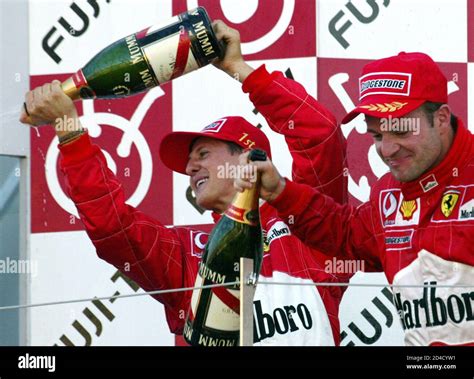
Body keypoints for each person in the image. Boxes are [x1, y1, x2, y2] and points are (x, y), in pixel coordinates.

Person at [20, 21, 350, 346]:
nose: (191, 167)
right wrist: (69, 131)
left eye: (204, 153)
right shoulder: (187, 251)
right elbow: (113, 229)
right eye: (191, 161)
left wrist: (238, 68)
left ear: (247, 157)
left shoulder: (307, 226)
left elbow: (320, 134)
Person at [235, 52, 474, 346]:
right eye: (376, 136)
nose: (387, 150)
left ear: (441, 118)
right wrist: (280, 193)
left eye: (400, 130)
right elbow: (345, 236)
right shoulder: (388, 192)